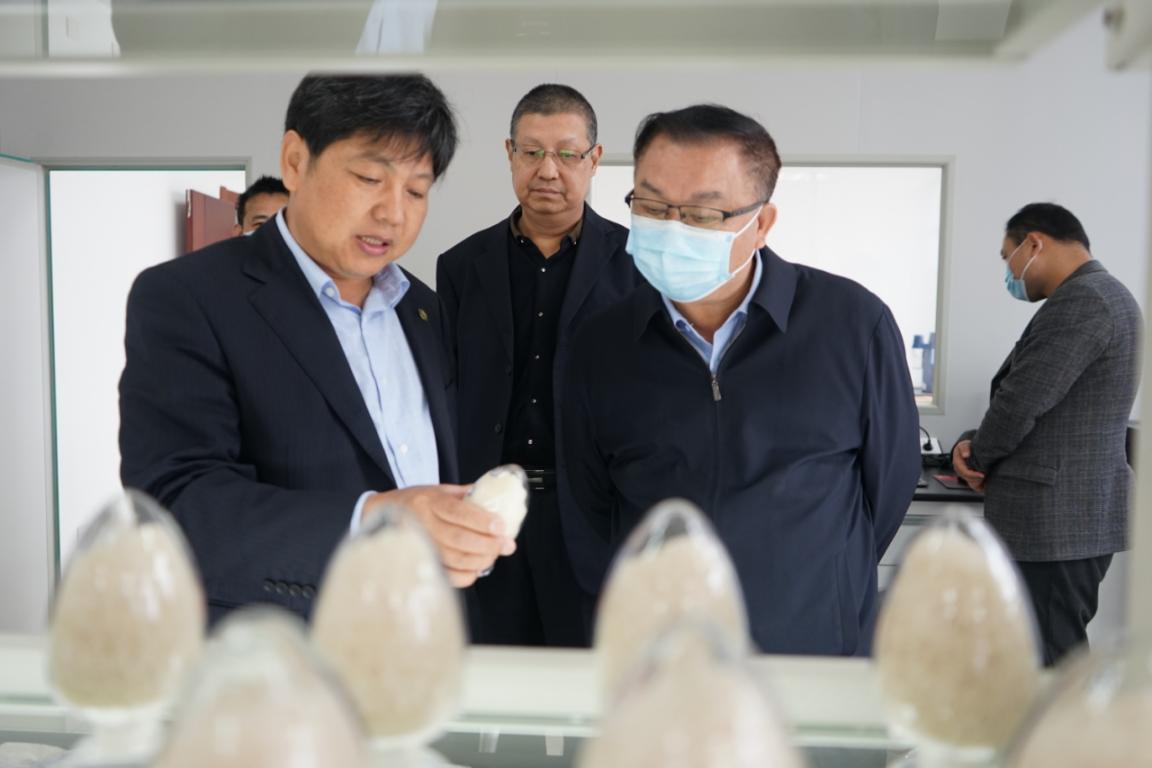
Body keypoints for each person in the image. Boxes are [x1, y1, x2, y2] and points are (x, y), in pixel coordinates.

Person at [120, 74, 514, 623]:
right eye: (370, 178)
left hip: (425, 639)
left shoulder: (423, 309)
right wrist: (372, 521)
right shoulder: (189, 297)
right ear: (295, 161)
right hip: (280, 651)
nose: (393, 213)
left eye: (416, 191)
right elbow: (177, 505)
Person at [562, 104, 920, 655]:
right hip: (664, 659)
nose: (671, 229)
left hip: (817, 655)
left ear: (762, 224)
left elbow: (888, 487)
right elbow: (589, 509)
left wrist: (822, 589)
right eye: (652, 206)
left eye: (702, 214)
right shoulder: (601, 344)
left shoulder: (851, 325)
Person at [437, 84, 637, 646]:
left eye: (567, 153)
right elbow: (448, 391)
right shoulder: (461, 266)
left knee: (587, 676)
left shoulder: (636, 265)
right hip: (488, 510)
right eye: (531, 152)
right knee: (487, 675)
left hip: (592, 512)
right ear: (509, 154)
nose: (548, 169)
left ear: (594, 159)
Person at [952, 202, 1141, 666]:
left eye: (1007, 257)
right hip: (1068, 514)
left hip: (1054, 520)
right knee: (1044, 653)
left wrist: (976, 457)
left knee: (1049, 661)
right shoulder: (1103, 296)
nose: (1009, 272)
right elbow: (1059, 408)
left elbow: (1022, 400)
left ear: (1033, 243)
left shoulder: (1084, 301)